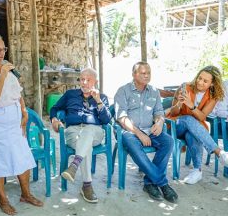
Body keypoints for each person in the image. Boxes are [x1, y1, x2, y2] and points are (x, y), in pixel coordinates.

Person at [0, 27, 43, 215]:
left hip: (14, 122)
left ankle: (25, 194)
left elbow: (17, 92)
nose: (2, 53)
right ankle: (3, 200)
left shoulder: (9, 71)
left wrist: (23, 110)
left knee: (22, 158)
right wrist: (2, 75)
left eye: (4, 49)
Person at [114, 62, 178, 203]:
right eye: (143, 73)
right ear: (134, 74)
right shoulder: (123, 91)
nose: (147, 75)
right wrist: (139, 133)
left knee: (168, 141)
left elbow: (159, 112)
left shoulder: (154, 91)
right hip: (129, 131)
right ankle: (162, 183)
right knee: (133, 143)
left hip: (150, 129)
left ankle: (149, 183)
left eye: (148, 72)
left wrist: (160, 122)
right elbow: (122, 118)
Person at [49, 67, 112, 203]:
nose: (84, 83)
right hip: (73, 131)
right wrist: (54, 119)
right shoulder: (70, 94)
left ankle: (75, 165)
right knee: (85, 145)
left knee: (88, 131)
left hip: (95, 132)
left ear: (95, 81)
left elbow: (107, 120)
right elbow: (54, 108)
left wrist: (98, 101)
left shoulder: (102, 97)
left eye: (88, 80)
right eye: (82, 79)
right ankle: (86, 185)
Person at [167, 66, 228, 184]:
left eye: (205, 81)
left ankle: (197, 171)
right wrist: (179, 103)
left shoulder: (213, 97)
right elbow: (173, 112)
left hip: (195, 128)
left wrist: (191, 105)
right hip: (176, 126)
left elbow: (202, 117)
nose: (200, 82)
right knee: (188, 119)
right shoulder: (185, 87)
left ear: (212, 84)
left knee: (191, 134)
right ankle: (219, 152)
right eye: (200, 78)